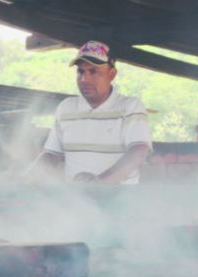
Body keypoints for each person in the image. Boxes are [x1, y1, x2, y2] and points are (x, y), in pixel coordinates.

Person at [25, 40, 152, 185]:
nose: (85, 79)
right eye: (80, 71)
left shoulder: (130, 107)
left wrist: (100, 183)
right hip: (78, 201)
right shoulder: (66, 108)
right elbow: (52, 154)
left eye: (93, 71)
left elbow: (138, 151)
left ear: (112, 74)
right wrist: (24, 178)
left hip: (120, 201)